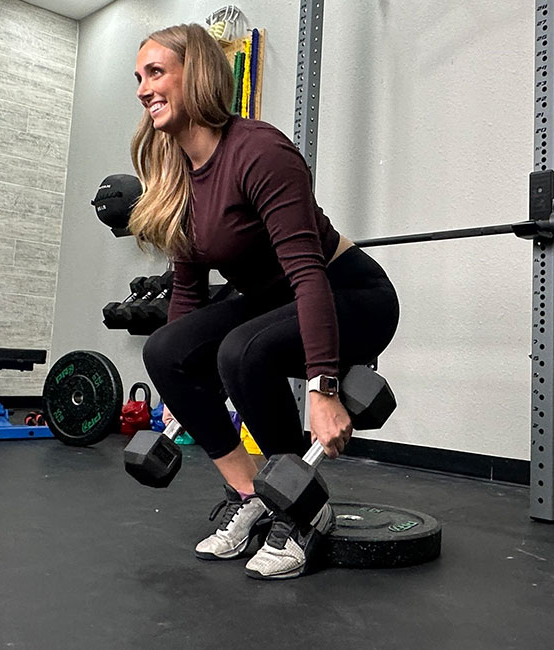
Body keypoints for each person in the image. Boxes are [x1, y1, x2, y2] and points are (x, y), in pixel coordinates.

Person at [130, 23, 400, 580]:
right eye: (138, 77)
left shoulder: (258, 150)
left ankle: (306, 509)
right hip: (273, 301)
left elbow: (307, 273)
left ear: (196, 73)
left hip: (350, 293)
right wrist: (180, 389)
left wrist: (323, 389)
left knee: (242, 353)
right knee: (164, 352)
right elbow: (187, 288)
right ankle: (252, 490)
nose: (142, 89)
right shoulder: (175, 174)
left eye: (155, 72)